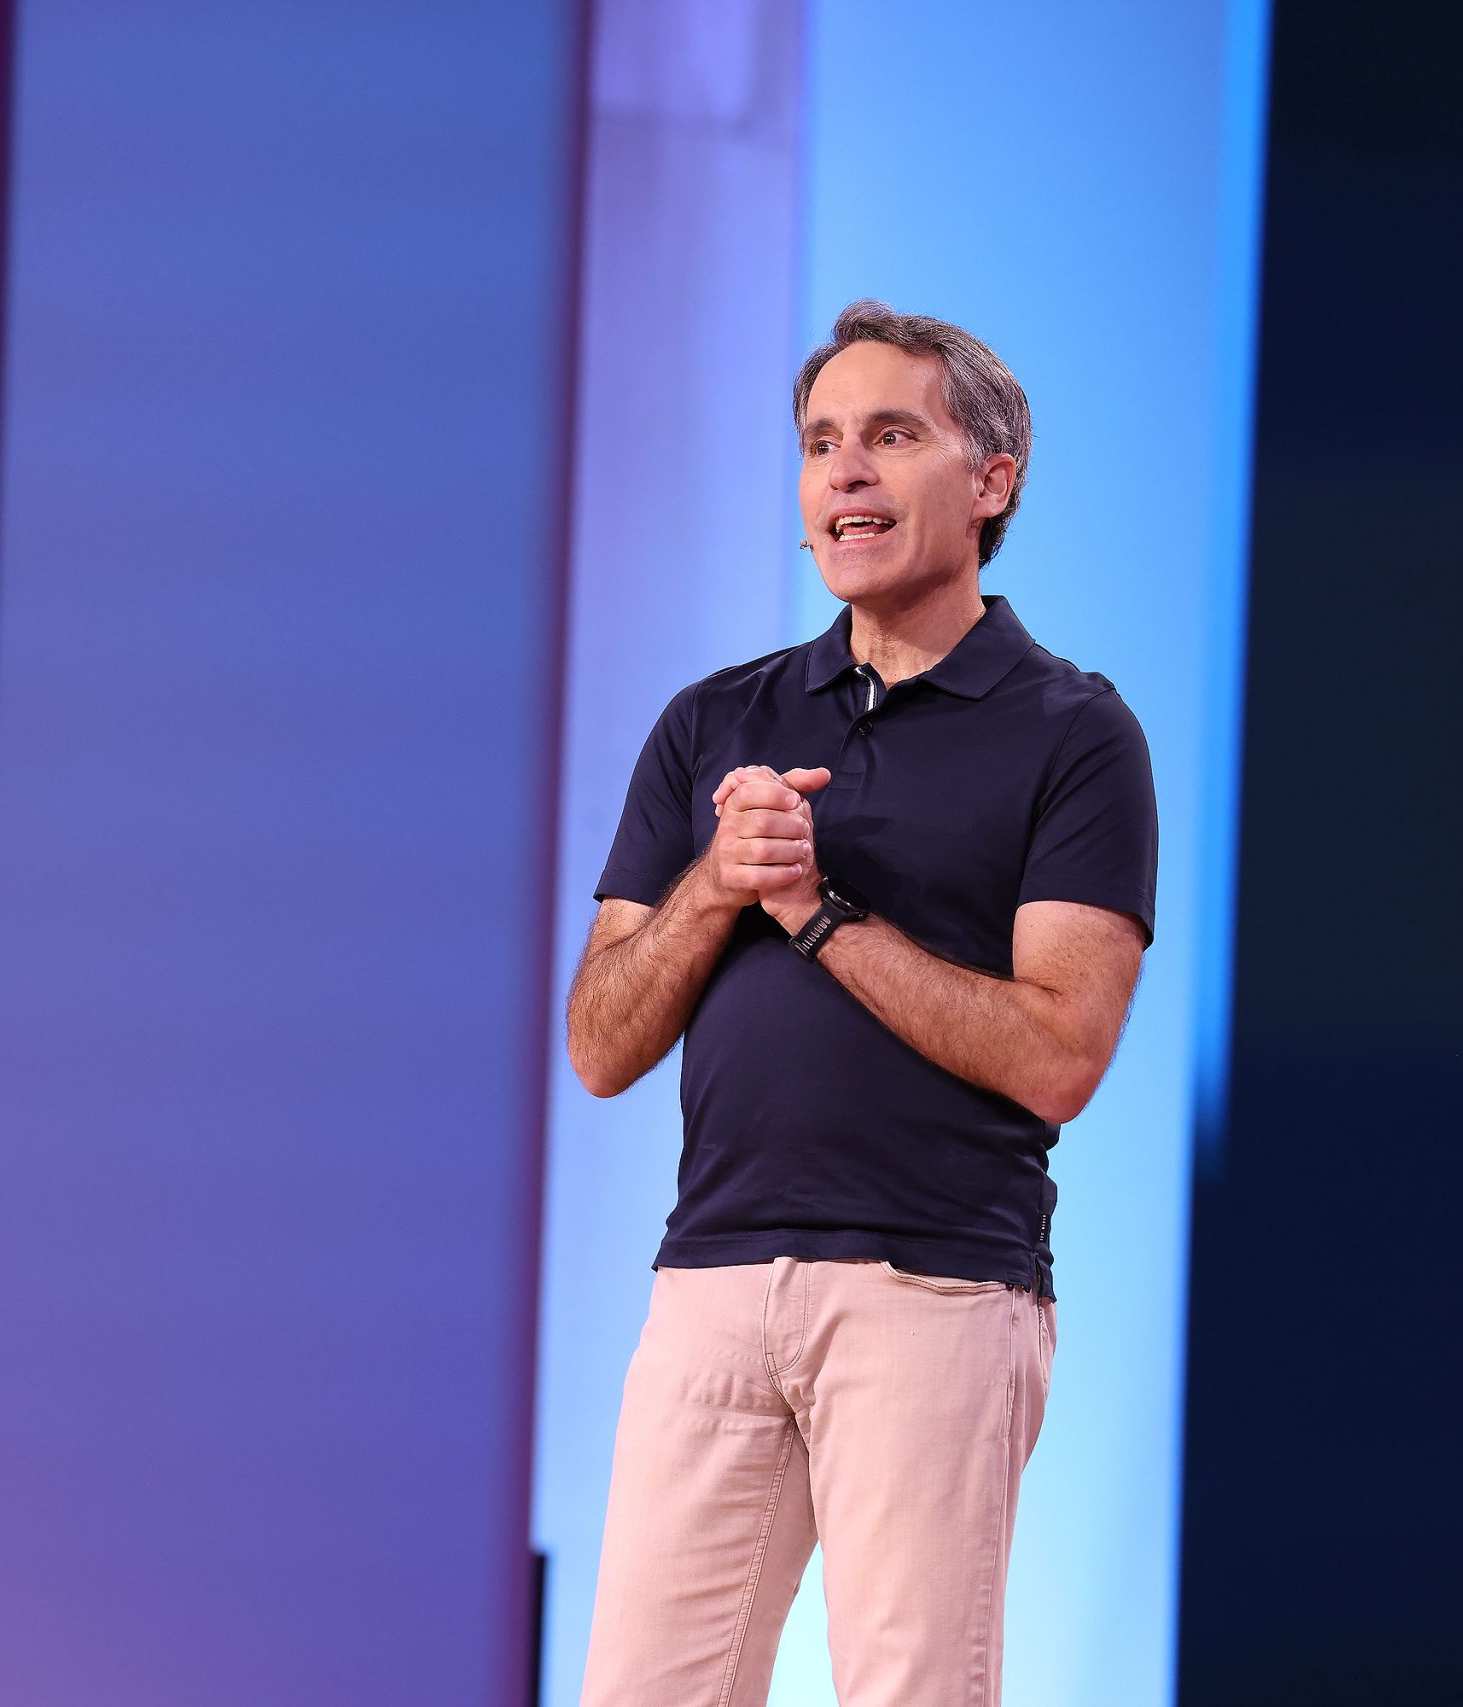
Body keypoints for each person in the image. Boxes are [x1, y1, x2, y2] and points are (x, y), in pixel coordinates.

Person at [565, 300, 1159, 1705]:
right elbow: (600, 1045)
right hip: (710, 1284)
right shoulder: (713, 721)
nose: (845, 473)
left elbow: (1061, 1053)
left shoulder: (1074, 733)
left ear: (993, 479)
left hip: (933, 1287)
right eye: (823, 443)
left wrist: (819, 915)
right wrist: (721, 881)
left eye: (892, 436)